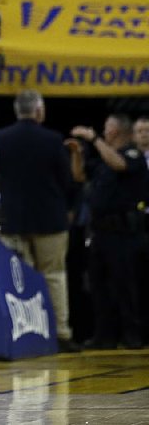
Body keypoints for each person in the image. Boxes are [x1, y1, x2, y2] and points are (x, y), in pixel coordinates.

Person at [0, 90, 77, 352]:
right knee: (54, 276)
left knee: (19, 280)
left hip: (12, 221)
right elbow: (67, 181)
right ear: (39, 111)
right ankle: (61, 334)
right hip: (50, 220)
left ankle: (25, 337)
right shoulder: (53, 140)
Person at [68, 115, 148, 349]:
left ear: (120, 131)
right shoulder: (103, 160)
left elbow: (119, 165)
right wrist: (76, 153)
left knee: (125, 285)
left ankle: (132, 335)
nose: (104, 130)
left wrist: (94, 139)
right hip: (100, 233)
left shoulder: (132, 156)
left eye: (108, 127)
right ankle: (104, 336)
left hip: (124, 233)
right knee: (98, 285)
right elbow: (80, 176)